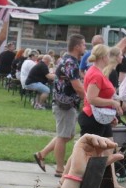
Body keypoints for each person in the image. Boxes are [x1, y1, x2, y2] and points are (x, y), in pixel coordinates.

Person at [77, 44, 125, 188]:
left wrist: (110, 115)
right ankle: (69, 177)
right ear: (104, 57)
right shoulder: (96, 74)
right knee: (86, 150)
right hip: (92, 118)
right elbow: (91, 98)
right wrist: (112, 103)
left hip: (99, 118)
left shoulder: (97, 72)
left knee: (107, 150)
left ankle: (107, 182)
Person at [33, 34, 86, 177]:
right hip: (65, 105)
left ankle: (42, 154)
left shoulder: (68, 61)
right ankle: (59, 169)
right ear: (77, 47)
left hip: (65, 104)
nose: (85, 47)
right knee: (63, 137)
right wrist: (88, 100)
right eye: (83, 45)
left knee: (67, 135)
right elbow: (78, 87)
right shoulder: (71, 63)